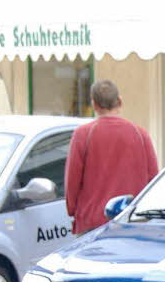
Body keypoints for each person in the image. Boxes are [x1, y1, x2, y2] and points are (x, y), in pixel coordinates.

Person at [64, 80, 158, 235]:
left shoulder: (83, 135)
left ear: (94, 105)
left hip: (92, 222)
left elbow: (72, 182)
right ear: (120, 101)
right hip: (132, 222)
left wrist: (73, 211)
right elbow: (153, 179)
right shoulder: (140, 134)